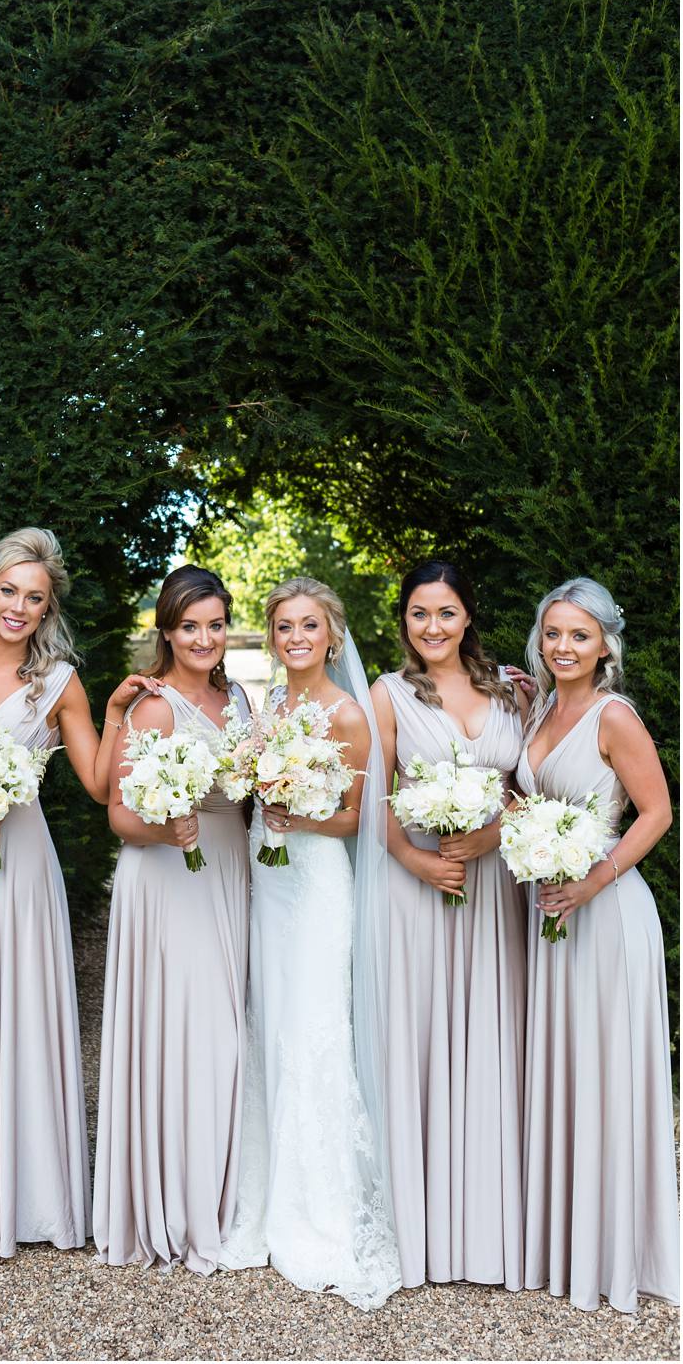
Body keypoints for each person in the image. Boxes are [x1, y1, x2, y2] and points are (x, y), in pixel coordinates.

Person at [0, 526, 159, 1258]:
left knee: (19, 1007)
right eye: (9, 591)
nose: (19, 607)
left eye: (34, 598)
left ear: (46, 608)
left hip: (21, 857)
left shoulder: (59, 680)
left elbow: (99, 784)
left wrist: (120, 712)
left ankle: (27, 1193)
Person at [219, 577, 401, 1310]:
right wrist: (263, 796)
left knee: (314, 1027)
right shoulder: (274, 707)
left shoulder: (349, 712)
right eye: (285, 626)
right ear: (273, 636)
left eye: (310, 626)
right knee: (275, 1022)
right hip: (273, 877)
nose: (297, 637)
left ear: (333, 634)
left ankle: (320, 1210)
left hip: (319, 881)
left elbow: (362, 815)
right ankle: (267, 1198)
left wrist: (302, 810)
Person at [517, 578, 678, 1313]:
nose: (563, 646)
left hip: (606, 913)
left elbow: (657, 811)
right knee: (565, 1070)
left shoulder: (614, 716)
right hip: (551, 909)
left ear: (606, 643)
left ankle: (615, 1254)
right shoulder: (543, 705)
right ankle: (564, 1244)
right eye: (553, 633)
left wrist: (595, 878)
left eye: (579, 635)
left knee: (605, 1074)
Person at [371, 559, 528, 1290]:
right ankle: (425, 1228)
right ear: (403, 620)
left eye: (445, 612)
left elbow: (528, 794)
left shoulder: (509, 691)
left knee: (491, 1038)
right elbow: (375, 801)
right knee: (428, 1041)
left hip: (493, 890)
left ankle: (489, 1225)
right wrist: (418, 860)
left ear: (468, 615)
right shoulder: (388, 692)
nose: (431, 627)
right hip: (422, 885)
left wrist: (489, 839)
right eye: (418, 614)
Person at [93, 564, 251, 1274]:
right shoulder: (153, 707)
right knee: (193, 1030)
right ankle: (178, 1206)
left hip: (232, 867)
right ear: (166, 630)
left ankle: (224, 1190)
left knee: (228, 1028)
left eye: (215, 624)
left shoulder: (242, 697)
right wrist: (171, 833)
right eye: (190, 625)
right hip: (168, 872)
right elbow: (121, 813)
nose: (205, 637)